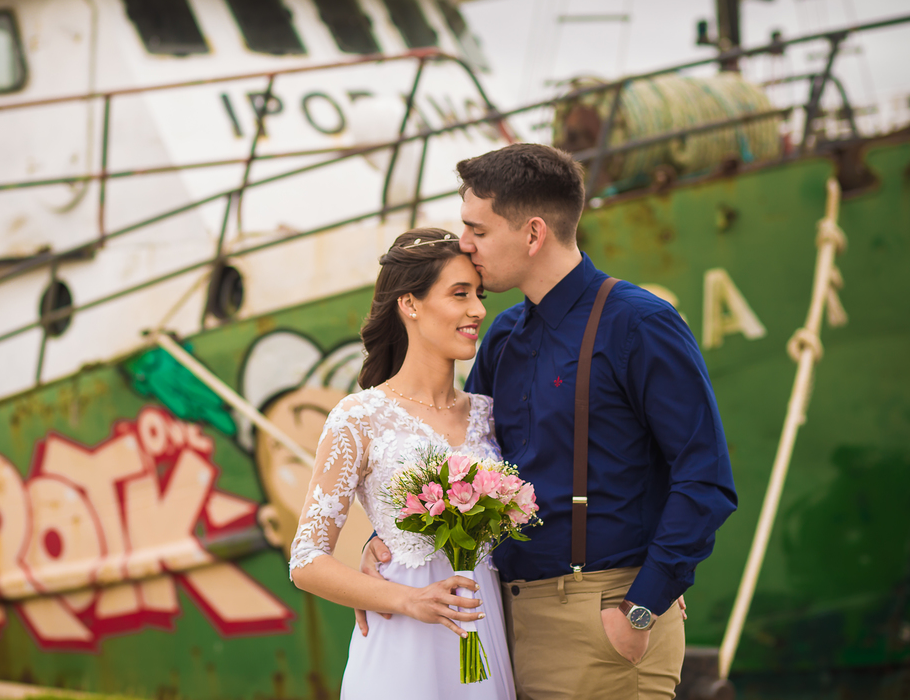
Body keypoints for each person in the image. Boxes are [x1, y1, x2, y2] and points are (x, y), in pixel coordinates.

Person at [358, 144, 737, 700]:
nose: (465, 244)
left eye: (477, 230)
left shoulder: (639, 325)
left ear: (533, 234)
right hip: (500, 622)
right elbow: (462, 462)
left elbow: (706, 478)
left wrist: (643, 603)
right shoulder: (503, 339)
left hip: (601, 622)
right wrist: (386, 537)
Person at [289, 228, 515, 699]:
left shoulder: (491, 415)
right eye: (460, 294)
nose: (478, 309)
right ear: (410, 304)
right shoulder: (359, 418)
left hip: (484, 634)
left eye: (479, 294)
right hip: (402, 647)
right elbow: (307, 560)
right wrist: (407, 599)